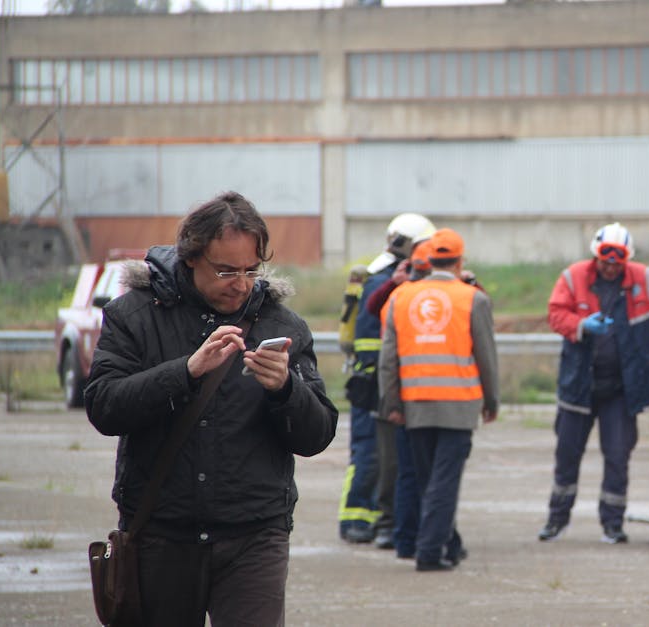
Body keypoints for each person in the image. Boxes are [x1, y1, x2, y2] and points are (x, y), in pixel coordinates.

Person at [85, 191, 338, 625]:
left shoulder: (283, 326)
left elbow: (318, 435)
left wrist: (285, 389)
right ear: (189, 258)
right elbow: (104, 407)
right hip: (160, 534)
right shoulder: (133, 315)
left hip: (255, 535)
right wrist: (185, 371)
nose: (240, 283)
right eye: (225, 270)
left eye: (250, 270)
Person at [538, 223, 649, 544]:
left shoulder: (642, 278)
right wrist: (581, 325)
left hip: (621, 389)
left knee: (618, 456)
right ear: (595, 256)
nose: (610, 267)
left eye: (616, 261)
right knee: (567, 456)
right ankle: (556, 520)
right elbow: (555, 314)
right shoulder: (573, 277)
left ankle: (612, 524)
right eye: (605, 260)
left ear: (625, 260)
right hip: (579, 386)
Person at [379, 228, 498, 572]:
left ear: (429, 261)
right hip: (459, 405)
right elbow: (486, 356)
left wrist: (392, 404)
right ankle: (430, 552)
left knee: (428, 480)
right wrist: (492, 401)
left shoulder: (402, 297)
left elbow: (389, 359)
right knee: (443, 482)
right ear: (461, 261)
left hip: (415, 403)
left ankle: (448, 543)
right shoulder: (473, 298)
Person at [341, 213, 435, 547]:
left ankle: (387, 519)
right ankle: (354, 518)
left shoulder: (403, 277)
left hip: (392, 377)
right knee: (369, 453)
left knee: (392, 456)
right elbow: (368, 333)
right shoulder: (379, 278)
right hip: (373, 378)